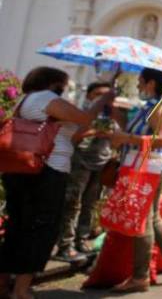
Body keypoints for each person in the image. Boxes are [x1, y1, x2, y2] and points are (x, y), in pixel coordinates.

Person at [0, 67, 111, 299]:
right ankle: (21, 289)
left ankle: (4, 283)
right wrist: (102, 101)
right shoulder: (47, 99)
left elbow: (72, 132)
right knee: (41, 228)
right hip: (46, 170)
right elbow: (86, 118)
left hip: (21, 169)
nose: (66, 88)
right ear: (53, 83)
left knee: (18, 226)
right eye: (64, 84)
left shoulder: (25, 101)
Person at [100, 68, 162, 292]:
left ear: (151, 83)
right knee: (154, 217)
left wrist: (126, 138)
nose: (138, 86)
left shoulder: (159, 108)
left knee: (144, 219)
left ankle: (140, 277)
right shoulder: (150, 107)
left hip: (147, 167)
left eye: (141, 82)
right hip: (145, 166)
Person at [54, 81, 116, 262]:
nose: (103, 98)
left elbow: (118, 138)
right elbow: (73, 137)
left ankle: (82, 240)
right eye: (99, 94)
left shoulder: (111, 115)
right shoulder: (81, 113)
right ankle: (65, 244)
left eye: (106, 95)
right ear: (89, 95)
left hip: (101, 163)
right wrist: (92, 132)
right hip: (80, 161)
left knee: (90, 204)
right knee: (72, 203)